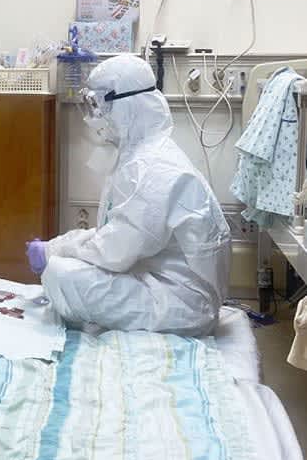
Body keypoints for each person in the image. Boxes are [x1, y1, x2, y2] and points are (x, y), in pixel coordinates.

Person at [26, 54, 231, 336]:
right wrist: (59, 246)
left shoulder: (151, 168)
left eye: (98, 103)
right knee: (66, 268)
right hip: (164, 282)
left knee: (60, 274)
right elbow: (117, 234)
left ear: (128, 105)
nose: (93, 116)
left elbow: (114, 251)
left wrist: (53, 250)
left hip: (184, 304)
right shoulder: (143, 156)